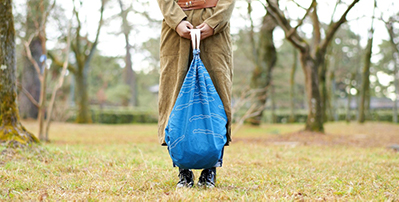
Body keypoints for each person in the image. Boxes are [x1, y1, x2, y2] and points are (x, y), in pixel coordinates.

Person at [157, 0, 235, 188]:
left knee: (216, 95)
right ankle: (183, 171)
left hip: (214, 29)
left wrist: (214, 22)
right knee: (174, 96)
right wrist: (176, 20)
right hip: (175, 29)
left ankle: (210, 170)